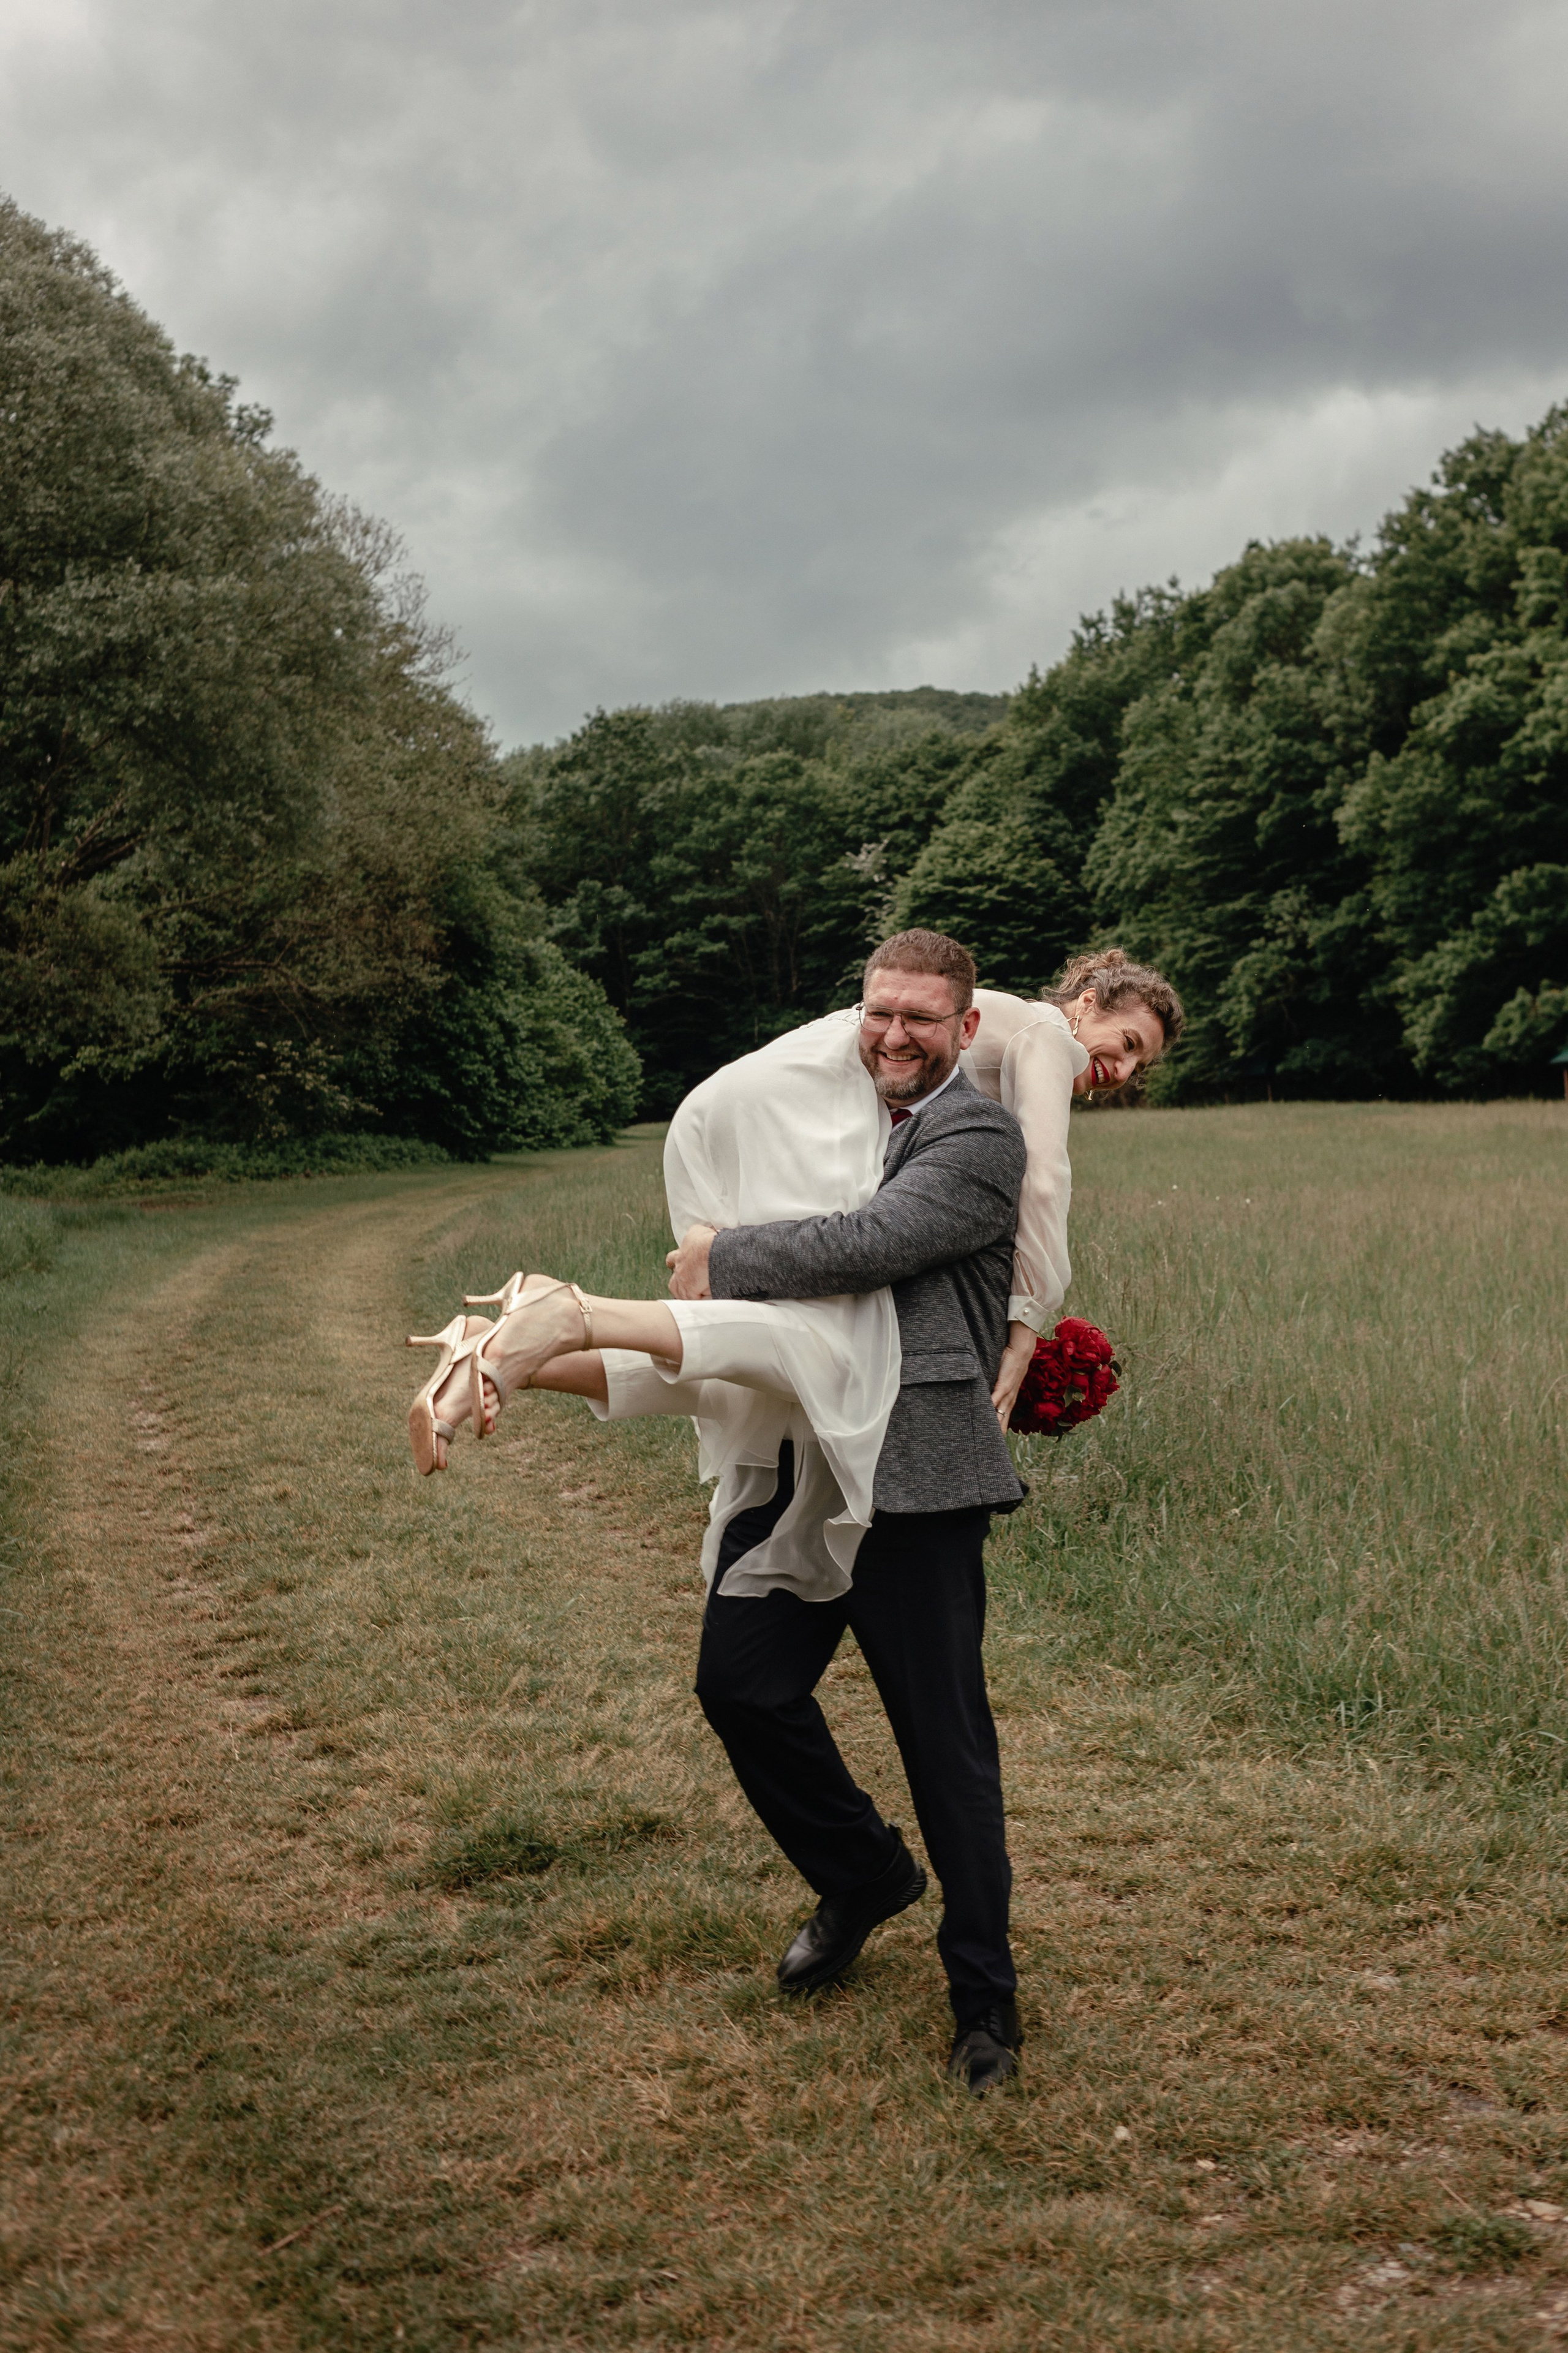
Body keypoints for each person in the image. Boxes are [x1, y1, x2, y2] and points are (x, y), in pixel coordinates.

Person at [405, 934, 1182, 2090]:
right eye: (881, 1012)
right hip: (795, 1462)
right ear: (857, 1013)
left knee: (946, 1749)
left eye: (923, 1019)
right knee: (741, 1687)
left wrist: (720, 1252)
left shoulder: (980, 1139)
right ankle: (865, 1874)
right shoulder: (823, 1127)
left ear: (970, 1029)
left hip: (915, 1484)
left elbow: (866, 1247)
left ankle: (984, 2000)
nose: (896, 1035)